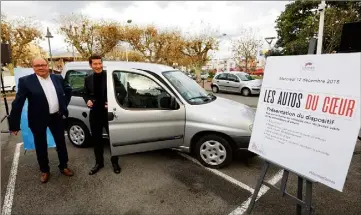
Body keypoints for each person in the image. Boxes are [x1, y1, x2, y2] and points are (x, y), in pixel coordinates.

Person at [9, 57, 74, 183]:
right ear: (33, 67)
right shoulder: (26, 81)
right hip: (38, 119)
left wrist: (64, 105)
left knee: (61, 143)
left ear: (47, 65)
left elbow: (68, 90)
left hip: (56, 117)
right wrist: (14, 125)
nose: (41, 67)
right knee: (41, 146)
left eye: (43, 65)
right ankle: (45, 170)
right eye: (37, 65)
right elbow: (18, 103)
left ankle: (64, 166)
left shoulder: (57, 78)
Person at [84, 55, 121, 175]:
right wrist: (87, 100)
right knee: (97, 141)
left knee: (113, 140)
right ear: (91, 65)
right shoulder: (88, 78)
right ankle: (99, 163)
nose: (98, 66)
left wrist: (112, 102)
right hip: (95, 114)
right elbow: (86, 94)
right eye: (95, 64)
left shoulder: (110, 76)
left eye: (100, 63)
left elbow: (123, 92)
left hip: (109, 114)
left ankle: (115, 162)